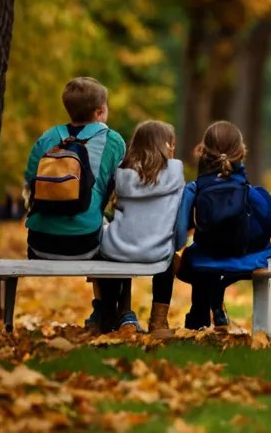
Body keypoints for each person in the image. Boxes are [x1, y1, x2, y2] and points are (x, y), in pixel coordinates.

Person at [23, 77, 127, 331]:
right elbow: (121, 190)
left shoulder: (48, 138)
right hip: (84, 244)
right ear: (100, 111)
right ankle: (109, 313)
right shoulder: (113, 141)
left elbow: (29, 181)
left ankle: (104, 312)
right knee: (113, 236)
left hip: (38, 244)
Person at [174, 121, 271, 331]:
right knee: (245, 258)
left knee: (197, 259)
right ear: (241, 152)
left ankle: (199, 314)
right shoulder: (249, 192)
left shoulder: (195, 189)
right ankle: (215, 305)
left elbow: (179, 233)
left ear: (202, 152)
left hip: (205, 261)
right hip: (247, 260)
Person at [98, 121, 186, 336]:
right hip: (157, 251)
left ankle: (109, 314)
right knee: (166, 265)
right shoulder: (174, 174)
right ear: (167, 146)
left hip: (118, 248)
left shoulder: (122, 174)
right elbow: (179, 218)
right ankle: (158, 322)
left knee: (108, 256)